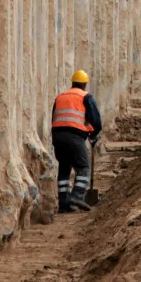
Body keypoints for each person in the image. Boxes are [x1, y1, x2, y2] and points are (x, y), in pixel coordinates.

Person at [52, 69, 103, 213]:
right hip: (74, 136)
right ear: (84, 84)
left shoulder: (60, 96)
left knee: (64, 168)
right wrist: (93, 135)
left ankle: (63, 203)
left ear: (73, 83)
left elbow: (54, 117)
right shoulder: (85, 97)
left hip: (57, 135)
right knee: (83, 167)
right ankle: (77, 196)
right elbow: (96, 121)